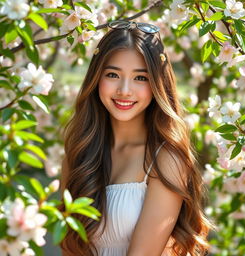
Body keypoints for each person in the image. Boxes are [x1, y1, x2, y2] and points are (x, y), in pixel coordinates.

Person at [60, 20, 214, 256]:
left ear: (157, 85)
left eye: (140, 78)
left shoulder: (166, 159)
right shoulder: (79, 154)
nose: (124, 90)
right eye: (112, 74)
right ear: (96, 78)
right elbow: (69, 247)